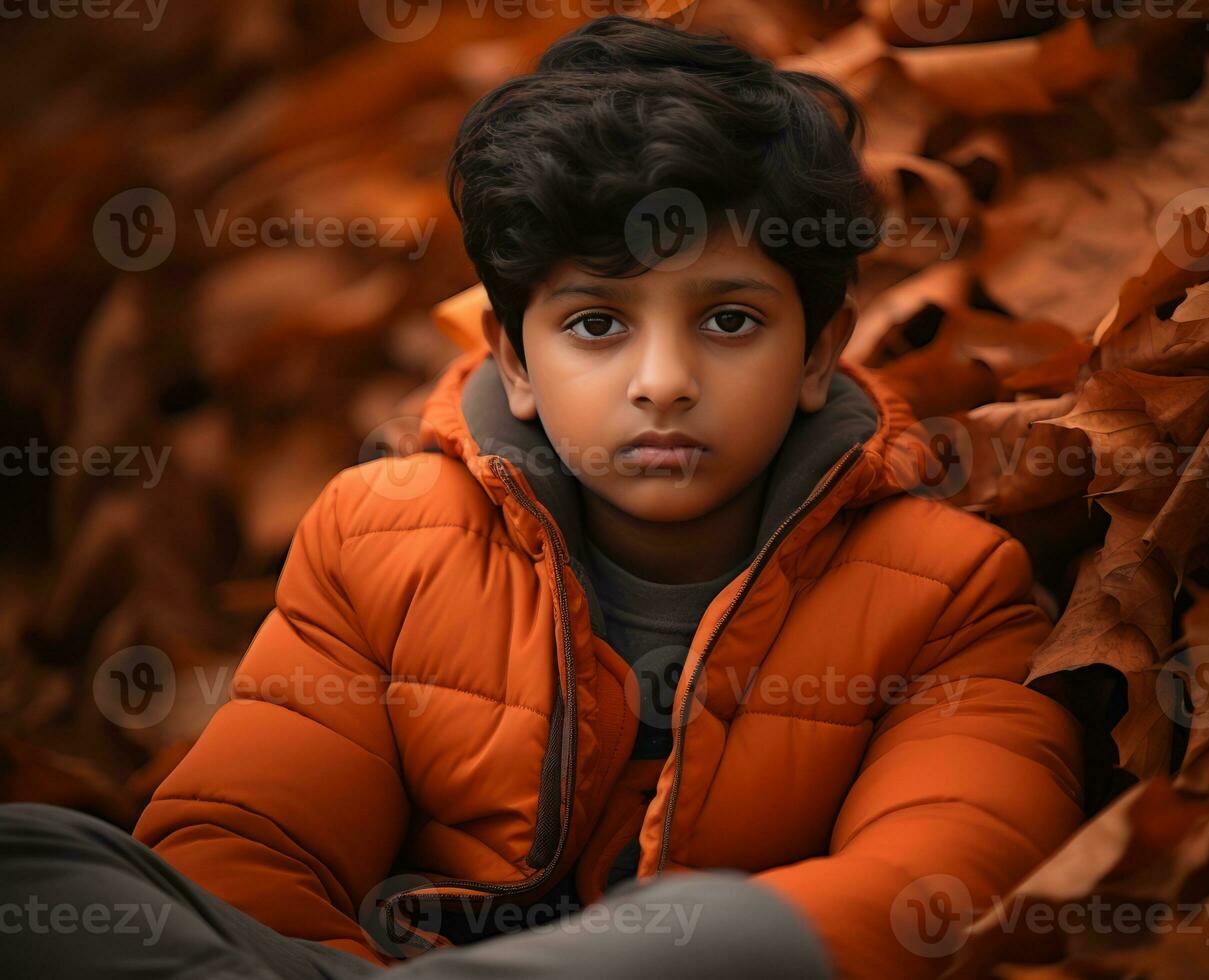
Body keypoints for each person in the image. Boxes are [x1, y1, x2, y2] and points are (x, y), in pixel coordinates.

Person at [0, 14, 1084, 979]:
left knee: (714, 926)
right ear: (513, 360)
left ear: (818, 353)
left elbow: (944, 868)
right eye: (596, 325)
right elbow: (247, 851)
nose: (663, 380)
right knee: (36, 859)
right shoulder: (381, 537)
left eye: (730, 320)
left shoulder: (946, 584)